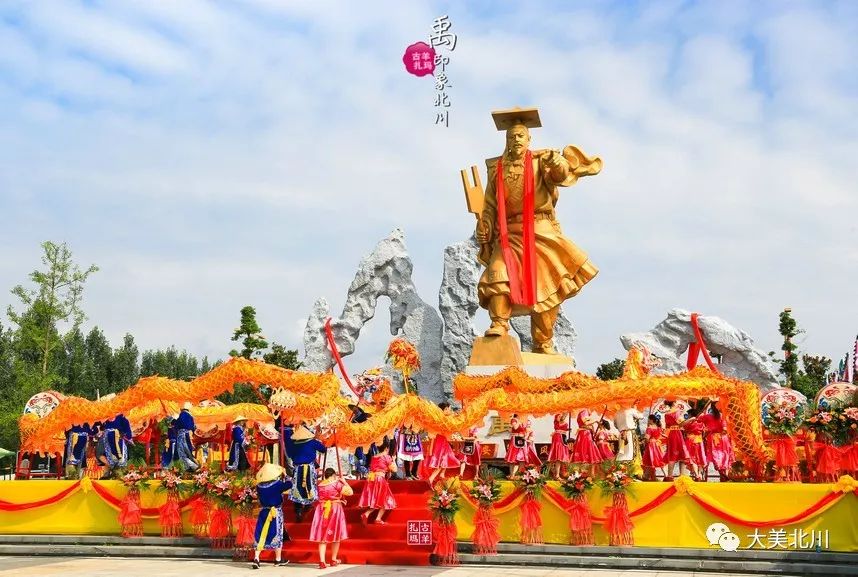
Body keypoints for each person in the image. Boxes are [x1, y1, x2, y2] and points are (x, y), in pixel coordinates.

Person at [474, 107, 602, 354]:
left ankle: (542, 342)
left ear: (529, 139)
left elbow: (559, 175)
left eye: (521, 135)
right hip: (508, 233)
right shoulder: (496, 170)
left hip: (539, 229)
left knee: (547, 287)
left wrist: (557, 163)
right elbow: (489, 205)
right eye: (511, 136)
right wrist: (485, 226)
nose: (516, 140)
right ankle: (499, 323)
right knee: (498, 273)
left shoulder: (540, 160)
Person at [310, 467, 353, 569]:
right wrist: (344, 482)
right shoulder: (336, 484)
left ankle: (322, 561)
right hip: (334, 509)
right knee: (336, 535)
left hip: (322, 509)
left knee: (322, 536)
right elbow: (350, 492)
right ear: (333, 475)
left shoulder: (319, 485)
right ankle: (333, 559)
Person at [251, 463, 292, 569]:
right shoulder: (277, 484)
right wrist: (285, 475)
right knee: (277, 534)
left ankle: (256, 558)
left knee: (260, 534)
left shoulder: (259, 486)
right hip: (275, 512)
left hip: (264, 512)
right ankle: (278, 559)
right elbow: (289, 484)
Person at [284, 422, 327, 522]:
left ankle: (298, 509)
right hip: (309, 468)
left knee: (297, 487)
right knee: (309, 485)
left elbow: (290, 455)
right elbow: (323, 449)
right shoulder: (312, 442)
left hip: (298, 468)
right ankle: (308, 504)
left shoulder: (293, 444)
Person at [359, 437, 397, 525]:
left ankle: (374, 517)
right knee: (385, 498)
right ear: (387, 448)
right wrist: (394, 460)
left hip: (372, 479)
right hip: (379, 480)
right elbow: (394, 469)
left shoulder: (374, 457)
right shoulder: (386, 457)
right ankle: (371, 515)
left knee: (378, 499)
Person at [699, 401, 735, 481]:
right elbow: (725, 429)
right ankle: (724, 473)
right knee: (725, 455)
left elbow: (698, 419)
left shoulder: (707, 416)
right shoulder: (723, 416)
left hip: (713, 438)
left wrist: (703, 410)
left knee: (716, 455)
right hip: (723, 438)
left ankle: (720, 471)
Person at [426, 403, 460, 484]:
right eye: (448, 409)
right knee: (442, 460)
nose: (449, 410)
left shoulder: (440, 418)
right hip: (440, 441)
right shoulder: (441, 419)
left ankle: (442, 474)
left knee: (447, 456)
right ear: (444, 410)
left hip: (441, 440)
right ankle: (431, 478)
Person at [663, 400, 692, 481]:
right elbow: (681, 424)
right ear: (673, 403)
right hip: (677, 434)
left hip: (671, 434)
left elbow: (667, 426)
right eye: (676, 402)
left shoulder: (666, 413)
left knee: (672, 454)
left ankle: (669, 476)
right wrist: (691, 419)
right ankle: (682, 476)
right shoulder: (676, 411)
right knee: (681, 454)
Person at [99, 413, 134, 479]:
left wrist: (126, 436)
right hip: (107, 441)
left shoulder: (121, 418)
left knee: (120, 457)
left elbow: (128, 431)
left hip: (118, 440)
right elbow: (100, 428)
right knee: (107, 456)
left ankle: (120, 474)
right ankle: (106, 474)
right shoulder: (105, 417)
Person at [506, 414, 540, 478]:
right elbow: (515, 427)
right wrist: (520, 421)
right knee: (512, 458)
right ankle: (512, 475)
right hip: (514, 441)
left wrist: (527, 434)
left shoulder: (524, 422)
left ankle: (520, 474)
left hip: (522, 441)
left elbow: (526, 431)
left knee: (522, 458)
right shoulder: (514, 420)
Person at [572, 409, 602, 476]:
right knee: (588, 453)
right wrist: (596, 421)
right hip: (585, 435)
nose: (593, 410)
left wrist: (593, 429)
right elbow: (586, 423)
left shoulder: (586, 414)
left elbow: (588, 424)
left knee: (590, 453)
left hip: (585, 434)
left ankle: (588, 474)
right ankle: (586, 474)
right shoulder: (584, 412)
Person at [175, 402, 200, 471]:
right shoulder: (191, 416)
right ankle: (190, 467)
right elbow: (194, 427)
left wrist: (173, 423)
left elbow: (178, 424)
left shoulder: (183, 414)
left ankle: (194, 466)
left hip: (182, 435)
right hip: (188, 435)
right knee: (188, 453)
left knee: (182, 453)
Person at [641, 414, 666, 481]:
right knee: (660, 460)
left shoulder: (649, 428)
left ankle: (646, 476)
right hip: (658, 445)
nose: (648, 421)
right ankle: (666, 475)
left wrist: (644, 443)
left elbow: (647, 438)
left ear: (651, 420)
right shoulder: (659, 428)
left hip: (651, 446)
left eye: (648, 419)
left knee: (650, 461)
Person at [547, 414, 571, 480]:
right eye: (558, 416)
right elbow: (562, 418)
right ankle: (555, 474)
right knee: (558, 457)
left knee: (560, 458)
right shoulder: (557, 422)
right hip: (558, 439)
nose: (560, 417)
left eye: (560, 416)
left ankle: (556, 473)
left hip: (562, 439)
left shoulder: (562, 422)